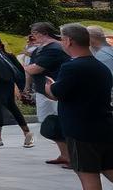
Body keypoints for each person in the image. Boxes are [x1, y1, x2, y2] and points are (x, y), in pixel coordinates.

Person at [46, 23, 113, 190]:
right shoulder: (101, 67)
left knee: (88, 176)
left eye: (62, 39)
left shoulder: (72, 67)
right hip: (104, 127)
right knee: (108, 168)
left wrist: (49, 87)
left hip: (81, 132)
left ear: (69, 41)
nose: (61, 42)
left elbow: (57, 93)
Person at [25, 21, 71, 166]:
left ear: (43, 33)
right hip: (43, 91)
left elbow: (34, 69)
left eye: (35, 34)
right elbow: (31, 69)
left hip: (55, 91)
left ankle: (73, 156)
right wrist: (27, 86)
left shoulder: (54, 48)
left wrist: (24, 66)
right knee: (49, 123)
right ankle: (65, 154)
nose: (33, 37)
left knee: (61, 123)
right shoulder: (41, 49)